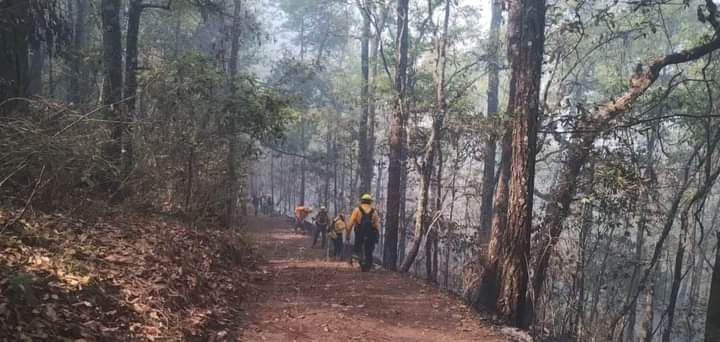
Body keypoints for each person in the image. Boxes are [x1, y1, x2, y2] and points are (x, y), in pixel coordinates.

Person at [346, 193, 380, 272]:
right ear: (370, 202)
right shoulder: (374, 211)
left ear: (362, 201)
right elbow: (376, 225)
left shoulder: (357, 210)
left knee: (358, 248)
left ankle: (357, 263)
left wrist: (348, 232)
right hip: (370, 233)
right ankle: (368, 266)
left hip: (359, 232)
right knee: (369, 250)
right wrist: (377, 234)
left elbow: (350, 223)